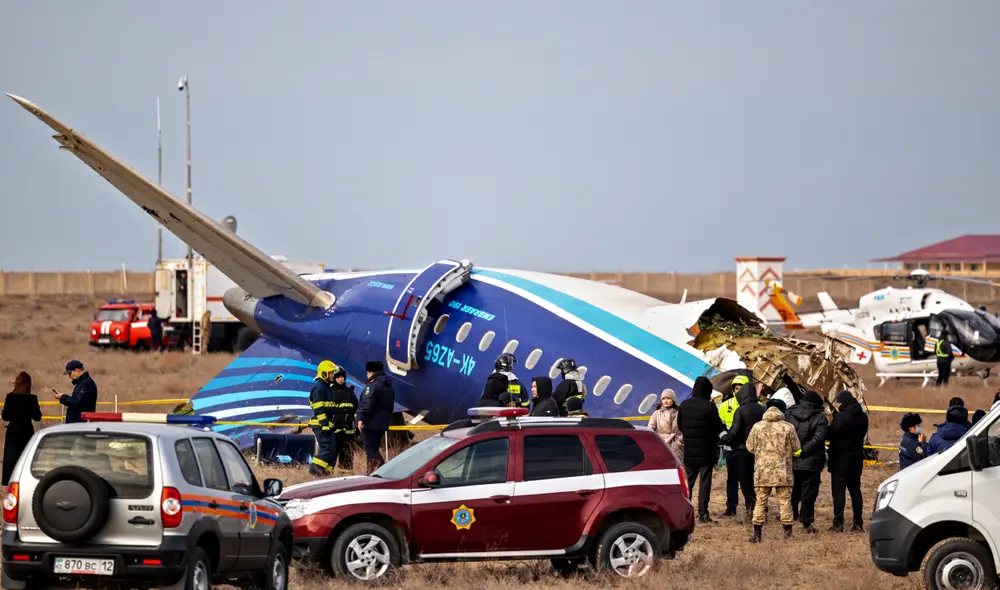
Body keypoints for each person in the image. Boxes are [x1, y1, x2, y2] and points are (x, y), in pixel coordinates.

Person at [746, 404, 801, 542]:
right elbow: (796, 447)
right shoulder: (788, 427)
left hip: (762, 471)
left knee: (760, 501)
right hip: (783, 471)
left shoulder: (757, 427)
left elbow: (750, 447)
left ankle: (757, 535)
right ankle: (787, 534)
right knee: (785, 501)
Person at [677, 376, 724, 523]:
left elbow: (680, 426)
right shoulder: (709, 406)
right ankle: (703, 514)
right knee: (704, 483)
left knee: (688, 483)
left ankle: (685, 513)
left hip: (690, 451)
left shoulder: (684, 405)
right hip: (706, 452)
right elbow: (717, 427)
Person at [785, 391, 828, 533]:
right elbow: (819, 437)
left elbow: (785, 433)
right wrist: (803, 450)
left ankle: (791, 515)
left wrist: (795, 450)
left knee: (794, 489)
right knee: (809, 492)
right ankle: (807, 520)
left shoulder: (790, 414)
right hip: (812, 462)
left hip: (793, 459)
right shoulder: (819, 417)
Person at [827, 390, 868, 532]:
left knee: (839, 493)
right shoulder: (863, 416)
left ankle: (838, 523)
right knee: (855, 491)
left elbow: (830, 434)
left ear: (842, 402)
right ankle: (858, 523)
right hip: (856, 459)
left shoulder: (841, 417)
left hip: (839, 460)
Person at [726, 377, 766, 520]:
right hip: (761, 451)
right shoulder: (763, 408)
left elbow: (735, 431)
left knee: (746, 481)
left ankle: (751, 509)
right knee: (759, 482)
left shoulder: (741, 410)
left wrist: (725, 438)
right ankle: (762, 508)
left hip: (743, 451)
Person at [2, 372, 42, 486]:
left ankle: (9, 483)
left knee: (11, 459)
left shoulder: (10, 397)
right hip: (26, 431)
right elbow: (37, 417)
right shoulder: (32, 399)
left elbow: (6, 417)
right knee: (25, 458)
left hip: (13, 431)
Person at [719, 374, 749, 517]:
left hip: (747, 450)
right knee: (731, 479)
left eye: (741, 388)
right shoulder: (725, 405)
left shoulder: (757, 406)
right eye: (736, 388)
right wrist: (725, 437)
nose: (738, 391)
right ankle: (731, 506)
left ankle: (752, 505)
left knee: (748, 479)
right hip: (730, 448)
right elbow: (721, 425)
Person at [357, 361, 395, 471]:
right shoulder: (389, 386)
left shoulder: (373, 386)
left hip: (370, 424)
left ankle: (385, 470)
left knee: (371, 450)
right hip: (382, 423)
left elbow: (366, 404)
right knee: (373, 450)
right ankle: (371, 473)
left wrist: (360, 419)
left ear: (371, 373)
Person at [308, 361, 337, 476]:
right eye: (331, 373)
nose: (333, 375)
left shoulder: (326, 387)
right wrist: (324, 424)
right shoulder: (319, 387)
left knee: (332, 448)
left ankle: (326, 473)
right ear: (324, 373)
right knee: (327, 448)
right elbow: (318, 408)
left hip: (325, 424)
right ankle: (315, 468)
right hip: (320, 425)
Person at [329, 366, 359, 471]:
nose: (340, 379)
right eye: (338, 377)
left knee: (347, 453)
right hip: (336, 429)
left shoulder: (350, 392)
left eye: (342, 377)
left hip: (349, 430)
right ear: (334, 378)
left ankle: (346, 475)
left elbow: (356, 408)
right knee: (333, 453)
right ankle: (327, 475)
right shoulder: (330, 392)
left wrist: (354, 423)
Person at [54, 360, 97, 424]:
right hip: (77, 425)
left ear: (77, 370)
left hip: (81, 426)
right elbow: (76, 401)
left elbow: (78, 403)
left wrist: (63, 397)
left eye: (70, 373)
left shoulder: (87, 384)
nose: (69, 376)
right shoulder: (81, 383)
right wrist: (63, 397)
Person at [648, 389, 683, 462]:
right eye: (663, 398)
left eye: (668, 398)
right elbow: (650, 428)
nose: (665, 401)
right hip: (660, 444)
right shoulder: (656, 413)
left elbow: (678, 433)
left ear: (673, 399)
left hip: (675, 446)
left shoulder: (677, 413)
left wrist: (677, 447)